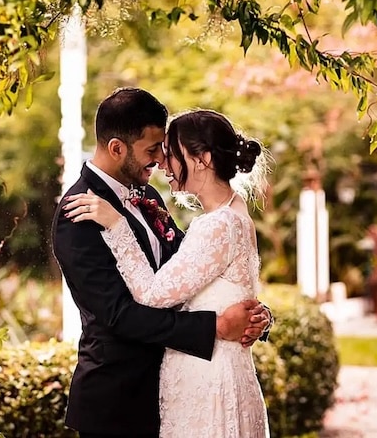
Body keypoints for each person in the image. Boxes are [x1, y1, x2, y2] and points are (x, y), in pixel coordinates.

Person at [52, 89, 270, 438]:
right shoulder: (80, 213)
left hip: (180, 389)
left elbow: (197, 272)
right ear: (117, 149)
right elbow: (119, 314)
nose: (160, 161)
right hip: (120, 401)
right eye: (152, 150)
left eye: (165, 150)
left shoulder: (150, 197)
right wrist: (215, 326)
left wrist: (253, 314)